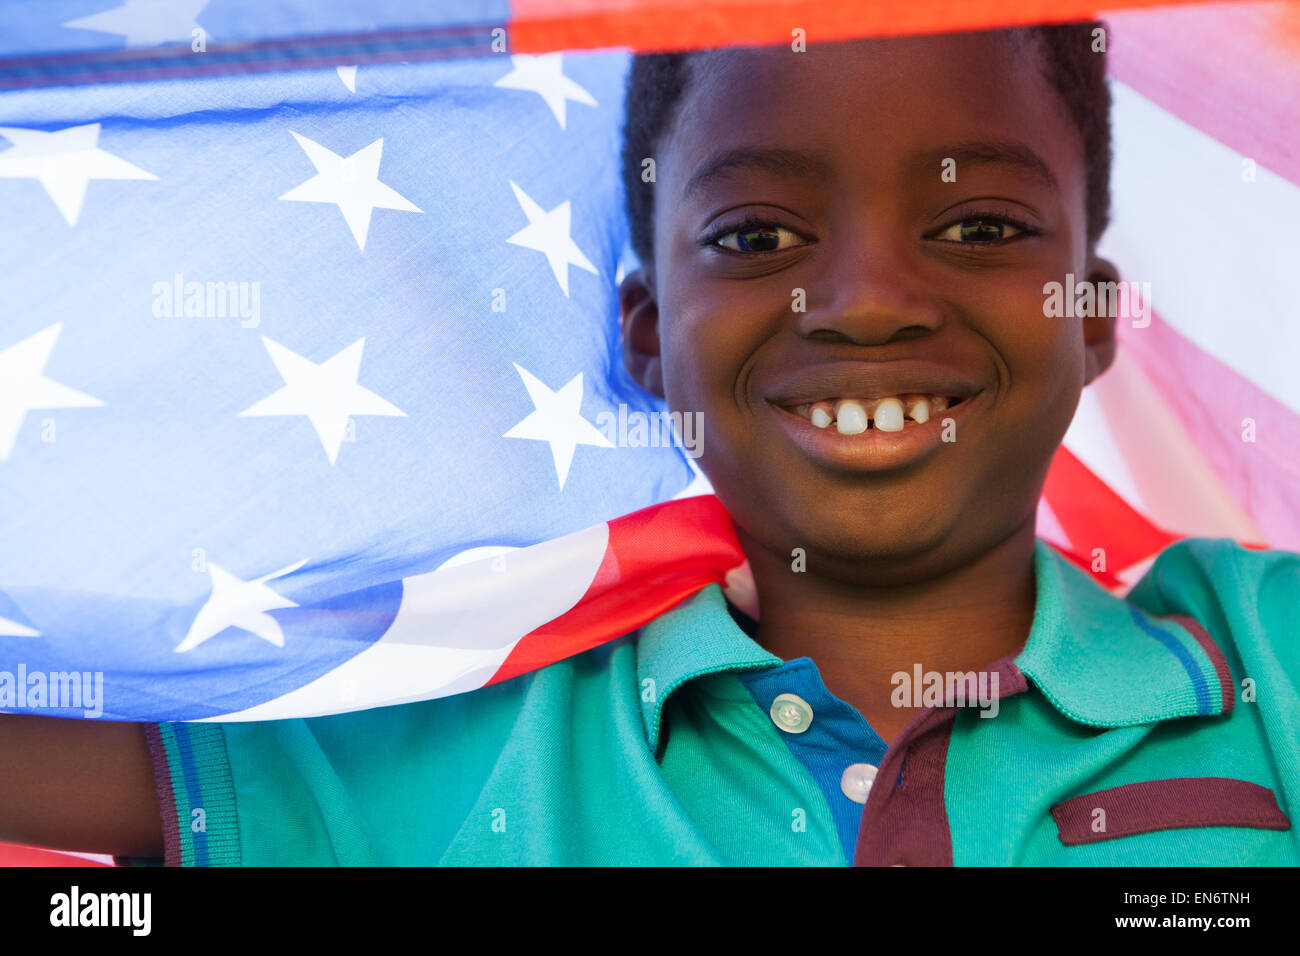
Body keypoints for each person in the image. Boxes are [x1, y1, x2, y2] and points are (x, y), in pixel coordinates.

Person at [1, 22, 1296, 865]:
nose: (865, 301)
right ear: (643, 336)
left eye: (981, 228)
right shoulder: (445, 722)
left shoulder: (1263, 664)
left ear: (1095, 314)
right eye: (754, 238)